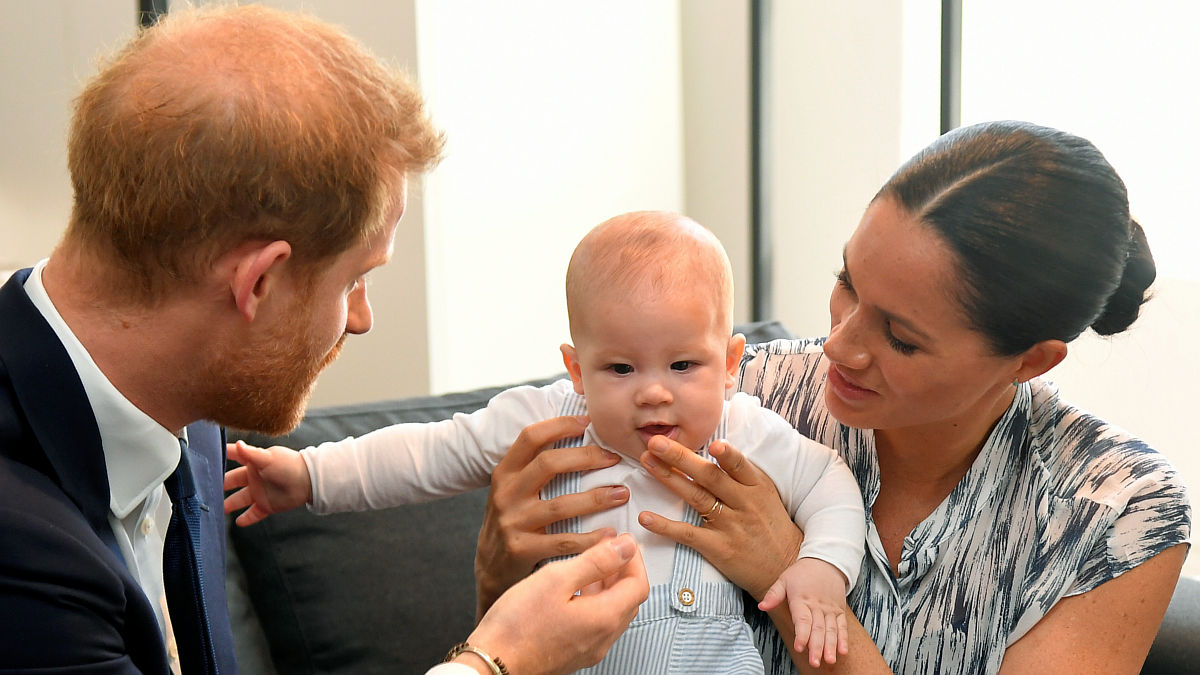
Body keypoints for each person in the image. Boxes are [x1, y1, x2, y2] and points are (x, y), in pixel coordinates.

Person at [0, 5, 647, 675]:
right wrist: (497, 662)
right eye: (354, 280)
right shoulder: (20, 549)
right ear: (259, 281)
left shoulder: (187, 414)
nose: (361, 318)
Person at [470, 121, 1192, 674]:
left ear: (1030, 360)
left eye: (900, 337)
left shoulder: (1116, 509)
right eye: (846, 283)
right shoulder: (730, 393)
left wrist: (791, 572)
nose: (839, 346)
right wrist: (499, 570)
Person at [224, 211, 867, 672]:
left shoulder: (743, 428)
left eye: (683, 366)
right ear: (575, 367)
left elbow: (830, 483)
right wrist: (309, 476)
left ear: (730, 364)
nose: (653, 393)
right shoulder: (545, 420)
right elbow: (428, 453)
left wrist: (819, 569)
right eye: (620, 368)